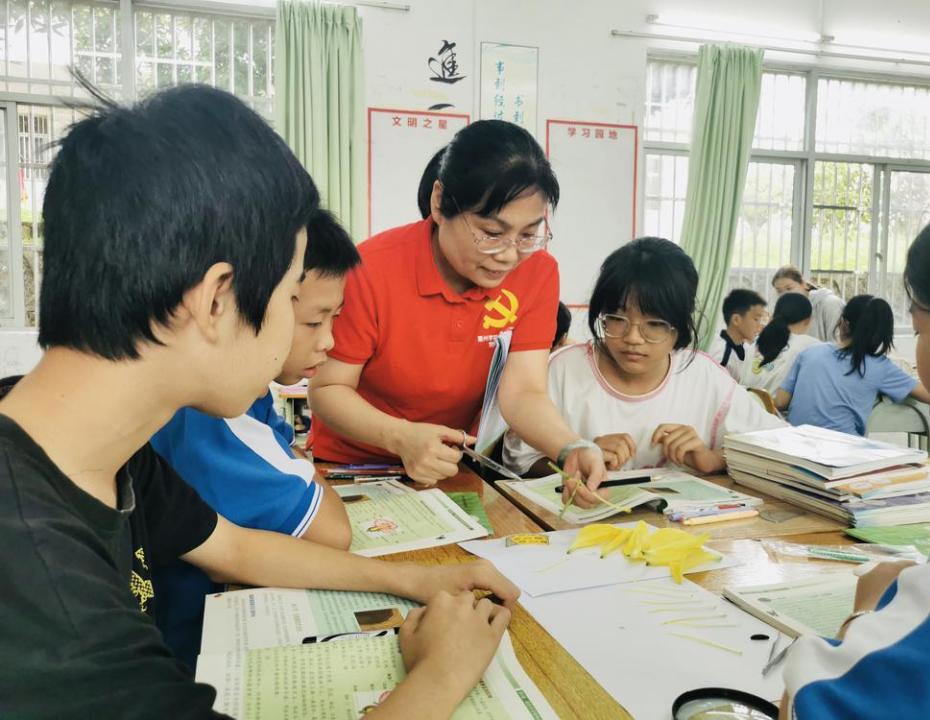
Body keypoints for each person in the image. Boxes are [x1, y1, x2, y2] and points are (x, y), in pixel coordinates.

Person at [0, 85, 518, 719]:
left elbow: (238, 547)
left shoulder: (102, 450)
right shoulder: (38, 592)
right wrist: (444, 671)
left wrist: (417, 580)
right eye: (287, 295)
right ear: (217, 299)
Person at [308, 120, 606, 505]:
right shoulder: (371, 270)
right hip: (356, 468)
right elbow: (329, 389)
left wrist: (569, 447)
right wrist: (400, 437)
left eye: (528, 234)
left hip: (450, 468)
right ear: (439, 202)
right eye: (491, 233)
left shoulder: (537, 273)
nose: (509, 254)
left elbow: (523, 391)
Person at [148, 208, 358, 666]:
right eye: (308, 318)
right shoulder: (209, 408)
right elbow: (330, 530)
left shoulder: (244, 390)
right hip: (193, 653)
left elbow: (290, 453)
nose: (329, 342)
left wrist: (300, 465)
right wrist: (306, 470)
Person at [780, 198, 930, 720]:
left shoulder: (810, 354)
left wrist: (864, 615)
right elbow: (925, 395)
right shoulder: (881, 368)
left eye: (921, 331)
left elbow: (814, 704)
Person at [503, 238, 784, 482]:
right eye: (617, 319)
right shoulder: (564, 369)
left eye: (654, 324)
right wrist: (574, 456)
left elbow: (780, 444)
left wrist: (714, 460)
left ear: (679, 326)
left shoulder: (703, 376)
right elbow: (518, 461)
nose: (633, 338)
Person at [775, 294, 930, 435]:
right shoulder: (880, 366)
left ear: (844, 323)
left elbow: (780, 402)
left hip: (795, 444)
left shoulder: (809, 352)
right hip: (845, 449)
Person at [741, 292, 821, 396]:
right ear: (807, 320)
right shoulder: (810, 346)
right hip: (774, 410)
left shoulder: (758, 342)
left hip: (745, 404)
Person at [771, 264, 846, 341]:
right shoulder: (785, 311)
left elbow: (838, 344)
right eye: (779, 291)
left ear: (804, 284)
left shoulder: (830, 303)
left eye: (789, 288)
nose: (784, 294)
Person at [709, 288, 768, 381]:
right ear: (736, 320)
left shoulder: (742, 346)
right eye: (756, 319)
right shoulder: (723, 356)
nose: (760, 325)